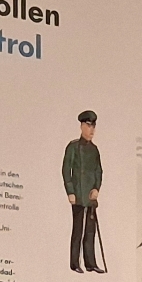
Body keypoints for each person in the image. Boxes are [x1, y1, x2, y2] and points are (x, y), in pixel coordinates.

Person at [63, 109, 103, 272]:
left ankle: (90, 263)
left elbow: (98, 171)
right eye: (88, 126)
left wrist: (96, 189)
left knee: (90, 231)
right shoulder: (73, 147)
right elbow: (66, 170)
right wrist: (70, 191)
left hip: (90, 197)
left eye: (93, 126)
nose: (92, 130)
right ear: (81, 126)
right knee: (78, 230)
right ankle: (74, 263)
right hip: (78, 196)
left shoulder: (94, 150)